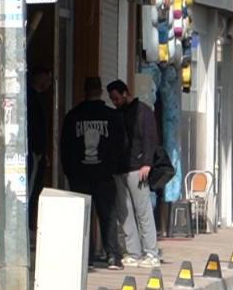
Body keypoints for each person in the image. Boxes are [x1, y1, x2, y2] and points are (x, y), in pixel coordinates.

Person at [62, 76, 125, 270]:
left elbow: (65, 146)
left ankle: (85, 256)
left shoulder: (73, 116)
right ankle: (112, 255)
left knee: (82, 215)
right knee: (107, 215)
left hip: (79, 175)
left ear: (84, 90)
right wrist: (114, 168)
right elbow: (120, 145)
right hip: (105, 175)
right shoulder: (112, 116)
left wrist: (70, 172)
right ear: (100, 91)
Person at [106, 81, 161, 267]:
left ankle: (151, 252)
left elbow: (150, 137)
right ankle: (134, 252)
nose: (114, 102)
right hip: (119, 168)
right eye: (112, 99)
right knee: (125, 212)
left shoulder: (142, 111)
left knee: (142, 210)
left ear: (125, 93)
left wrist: (147, 163)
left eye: (116, 97)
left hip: (137, 168)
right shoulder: (117, 114)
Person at [29, 68, 52, 232]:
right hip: (32, 153)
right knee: (29, 190)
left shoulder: (37, 98)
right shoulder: (30, 98)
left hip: (38, 153)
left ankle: (29, 225)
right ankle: (26, 226)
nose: (50, 83)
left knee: (34, 189)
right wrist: (37, 151)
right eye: (47, 78)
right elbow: (34, 127)